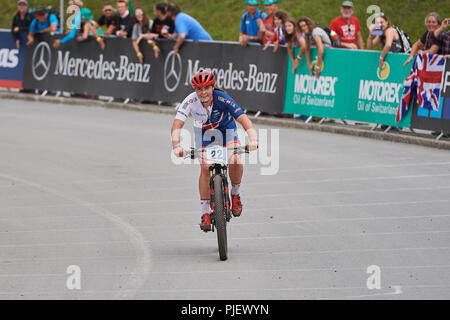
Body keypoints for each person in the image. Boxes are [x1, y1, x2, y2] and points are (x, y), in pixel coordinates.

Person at [171, 70, 258, 232]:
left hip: (226, 131)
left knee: (236, 159)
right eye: (199, 89)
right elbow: (177, 125)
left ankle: (235, 194)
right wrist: (176, 145)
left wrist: (253, 139)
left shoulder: (222, 98)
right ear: (195, 90)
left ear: (213, 87)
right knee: (205, 167)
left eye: (207, 88)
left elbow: (243, 119)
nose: (203, 92)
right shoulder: (190, 101)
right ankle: (205, 212)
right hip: (204, 135)